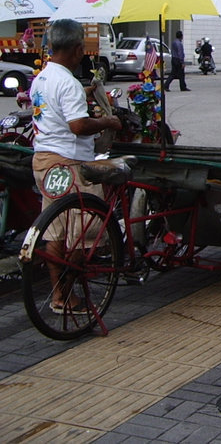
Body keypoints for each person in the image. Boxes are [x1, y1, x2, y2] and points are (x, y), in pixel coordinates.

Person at [29, 19, 123, 314]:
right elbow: (79, 125)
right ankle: (71, 292)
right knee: (85, 233)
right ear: (75, 49)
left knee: (55, 231)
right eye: (82, 46)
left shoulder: (43, 77)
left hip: (44, 160)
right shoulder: (67, 82)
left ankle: (60, 297)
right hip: (70, 162)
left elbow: (58, 111)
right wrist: (107, 121)